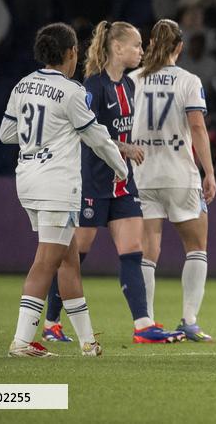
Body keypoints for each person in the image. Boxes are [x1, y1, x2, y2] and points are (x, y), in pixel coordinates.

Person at [41, 22, 184, 345]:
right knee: (75, 256)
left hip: (122, 183)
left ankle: (143, 325)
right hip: (92, 182)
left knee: (133, 251)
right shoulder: (93, 86)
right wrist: (124, 148)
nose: (141, 51)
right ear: (117, 49)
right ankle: (51, 321)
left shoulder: (130, 87)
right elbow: (86, 132)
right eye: (135, 45)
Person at [0, 23, 127, 358]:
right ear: (71, 53)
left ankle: (88, 343)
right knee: (46, 260)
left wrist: (40, 136)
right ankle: (22, 340)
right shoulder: (71, 92)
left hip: (27, 178)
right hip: (55, 184)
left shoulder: (22, 84)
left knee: (68, 260)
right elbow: (96, 135)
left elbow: (6, 133)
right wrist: (121, 167)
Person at [131, 19, 216, 341]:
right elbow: (197, 128)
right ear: (179, 47)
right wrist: (209, 172)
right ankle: (190, 320)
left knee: (147, 251)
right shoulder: (188, 81)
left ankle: (147, 322)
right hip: (180, 174)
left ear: (151, 43)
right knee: (196, 247)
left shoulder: (133, 80)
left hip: (143, 174)